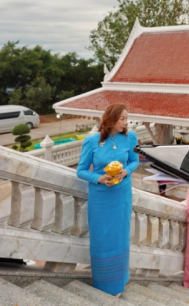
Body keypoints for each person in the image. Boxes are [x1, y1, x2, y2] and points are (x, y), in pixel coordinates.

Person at [77, 103, 139, 295]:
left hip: (122, 195)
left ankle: (120, 279)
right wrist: (99, 179)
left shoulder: (130, 138)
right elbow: (80, 171)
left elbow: (135, 161)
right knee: (101, 238)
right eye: (122, 119)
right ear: (111, 119)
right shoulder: (92, 141)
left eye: (127, 118)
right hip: (100, 198)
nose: (126, 122)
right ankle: (104, 284)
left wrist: (125, 171)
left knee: (120, 236)